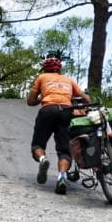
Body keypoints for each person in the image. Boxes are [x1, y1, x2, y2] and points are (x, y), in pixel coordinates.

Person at [26, 55, 89, 194]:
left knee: (38, 145)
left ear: (45, 69)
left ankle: (43, 159)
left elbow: (30, 101)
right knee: (64, 150)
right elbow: (86, 99)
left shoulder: (42, 78)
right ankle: (62, 177)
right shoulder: (68, 80)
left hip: (47, 110)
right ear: (59, 70)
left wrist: (41, 98)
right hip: (67, 111)